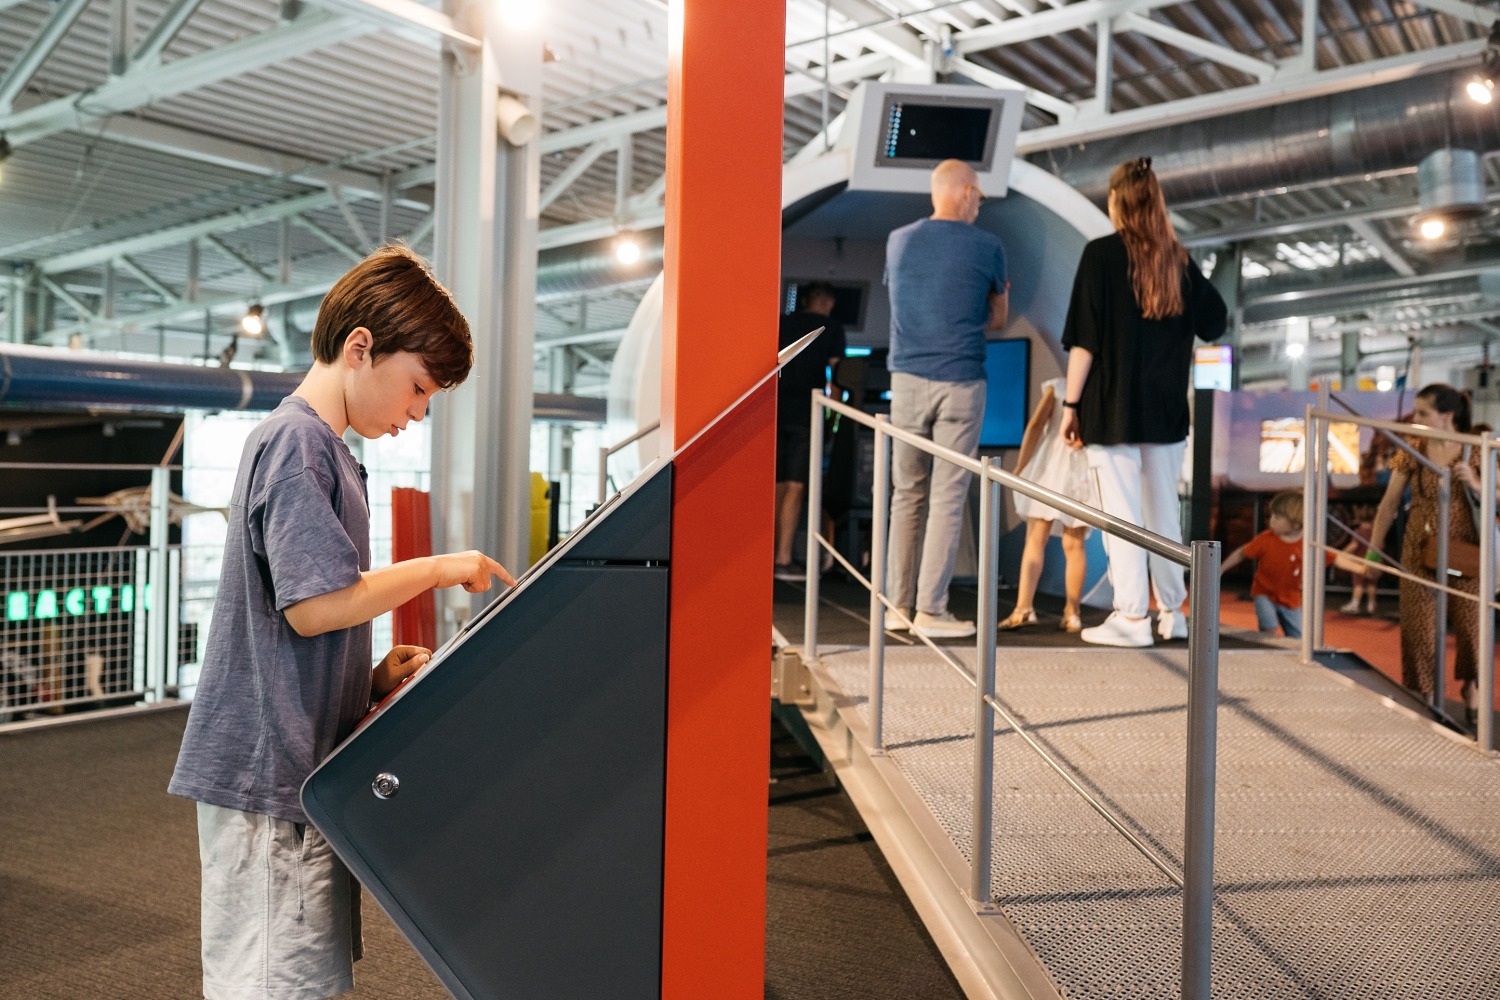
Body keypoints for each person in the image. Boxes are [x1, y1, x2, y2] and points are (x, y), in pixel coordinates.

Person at [168, 245, 515, 1000]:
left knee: (301, 977)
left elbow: (294, 626)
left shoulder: (324, 451)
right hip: (269, 781)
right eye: (418, 388)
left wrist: (365, 679)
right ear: (361, 348)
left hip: (294, 771)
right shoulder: (297, 444)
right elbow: (315, 607)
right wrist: (439, 565)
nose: (417, 413)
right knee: (272, 982)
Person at [1059, 156, 1228, 648]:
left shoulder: (1100, 256)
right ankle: (1174, 614)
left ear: (1116, 203)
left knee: (1122, 516)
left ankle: (1132, 618)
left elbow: (1085, 342)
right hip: (1166, 411)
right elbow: (1216, 322)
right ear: (1156, 204)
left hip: (1111, 411)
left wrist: (1071, 406)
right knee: (1162, 516)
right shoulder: (1176, 259)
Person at [883, 159, 1010, 639]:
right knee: (948, 496)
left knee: (906, 494)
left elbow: (911, 305)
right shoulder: (988, 246)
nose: (979, 204)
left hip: (908, 381)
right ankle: (931, 611)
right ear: (966, 192)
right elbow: (997, 319)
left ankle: (897, 606)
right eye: (978, 196)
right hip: (960, 378)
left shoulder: (899, 240)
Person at [1367, 383, 1485, 724]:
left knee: (1472, 627)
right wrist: (1373, 555)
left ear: (1446, 416)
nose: (1414, 419)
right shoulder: (1411, 448)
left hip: (1467, 552)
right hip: (1419, 548)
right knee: (1419, 629)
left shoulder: (1477, 448)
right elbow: (1389, 505)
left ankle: (1472, 691)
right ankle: (1428, 702)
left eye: (1423, 413)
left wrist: (1476, 485)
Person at [1000, 378, 1092, 633]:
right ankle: (1072, 613)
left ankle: (1023, 608)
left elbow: (1036, 424)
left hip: (1050, 467)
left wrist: (1020, 466)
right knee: (1075, 543)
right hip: (1081, 468)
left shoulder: (1059, 386)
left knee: (1035, 538)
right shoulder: (1101, 385)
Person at [774, 281, 845, 581]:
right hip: (807, 412)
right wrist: (833, 422)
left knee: (776, 485)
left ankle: (769, 554)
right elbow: (837, 380)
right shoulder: (831, 327)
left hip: (774, 410)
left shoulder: (782, 323)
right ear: (828, 302)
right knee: (796, 485)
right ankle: (783, 557)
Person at [1218, 492, 1345, 638]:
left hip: (1290, 598)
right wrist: (1220, 569)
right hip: (1264, 593)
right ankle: (1265, 650)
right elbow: (1241, 553)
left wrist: (1361, 569)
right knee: (1269, 627)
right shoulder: (1265, 539)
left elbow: (1335, 558)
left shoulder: (1307, 543)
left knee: (1299, 636)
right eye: (1271, 515)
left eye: (1277, 517)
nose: (1271, 520)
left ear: (1296, 524)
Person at [1338, 510, 1379, 614]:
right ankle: (1371, 604)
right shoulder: (1375, 531)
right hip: (1374, 559)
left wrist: (1342, 553)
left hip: (1359, 561)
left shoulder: (1359, 531)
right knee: (1371, 583)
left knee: (1358, 584)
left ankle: (1355, 603)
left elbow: (1354, 545)